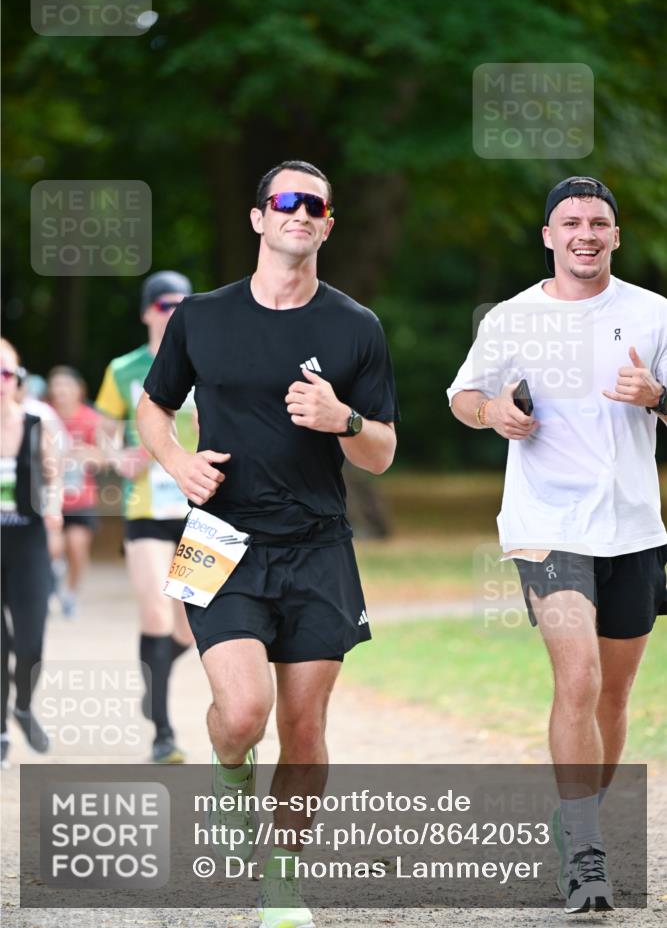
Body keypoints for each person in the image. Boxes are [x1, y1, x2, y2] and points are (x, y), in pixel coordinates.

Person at [137, 161, 399, 928]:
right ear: (258, 218)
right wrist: (179, 462)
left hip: (318, 546)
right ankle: (228, 772)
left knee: (306, 726)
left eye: (314, 204)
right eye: (286, 200)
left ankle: (281, 879)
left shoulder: (355, 327)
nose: (300, 212)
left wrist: (342, 419)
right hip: (217, 539)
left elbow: (381, 451)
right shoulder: (201, 317)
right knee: (243, 711)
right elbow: (155, 408)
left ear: (326, 224)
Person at [448, 176, 667, 914]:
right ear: (547, 235)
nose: (584, 233)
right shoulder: (512, 317)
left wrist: (656, 398)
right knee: (575, 680)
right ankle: (584, 854)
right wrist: (493, 414)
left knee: (611, 694)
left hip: (633, 527)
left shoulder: (652, 312)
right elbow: (463, 396)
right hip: (546, 525)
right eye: (569, 221)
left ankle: (575, 816)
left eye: (598, 223)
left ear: (613, 235)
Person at [95, 271, 197, 764]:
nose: (173, 312)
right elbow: (101, 433)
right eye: (164, 305)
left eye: (182, 304)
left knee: (191, 628)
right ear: (146, 311)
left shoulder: (209, 360)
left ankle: (153, 684)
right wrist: (118, 458)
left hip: (200, 509)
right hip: (145, 512)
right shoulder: (124, 368)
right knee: (157, 611)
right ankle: (162, 732)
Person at [1, 338, 62, 767]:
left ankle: (22, 705)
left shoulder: (38, 422)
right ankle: (1, 729)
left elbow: (53, 474)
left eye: (5, 373)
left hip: (28, 541)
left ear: (18, 379)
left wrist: (55, 504)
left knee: (31, 642)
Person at [46, 366, 104, 617]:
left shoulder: (91, 419)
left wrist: (86, 455)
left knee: (77, 547)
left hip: (81, 497)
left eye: (66, 386)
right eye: (56, 386)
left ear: (79, 390)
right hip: (49, 497)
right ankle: (51, 580)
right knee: (53, 548)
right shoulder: (42, 416)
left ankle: (70, 593)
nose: (61, 392)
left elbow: (104, 457)